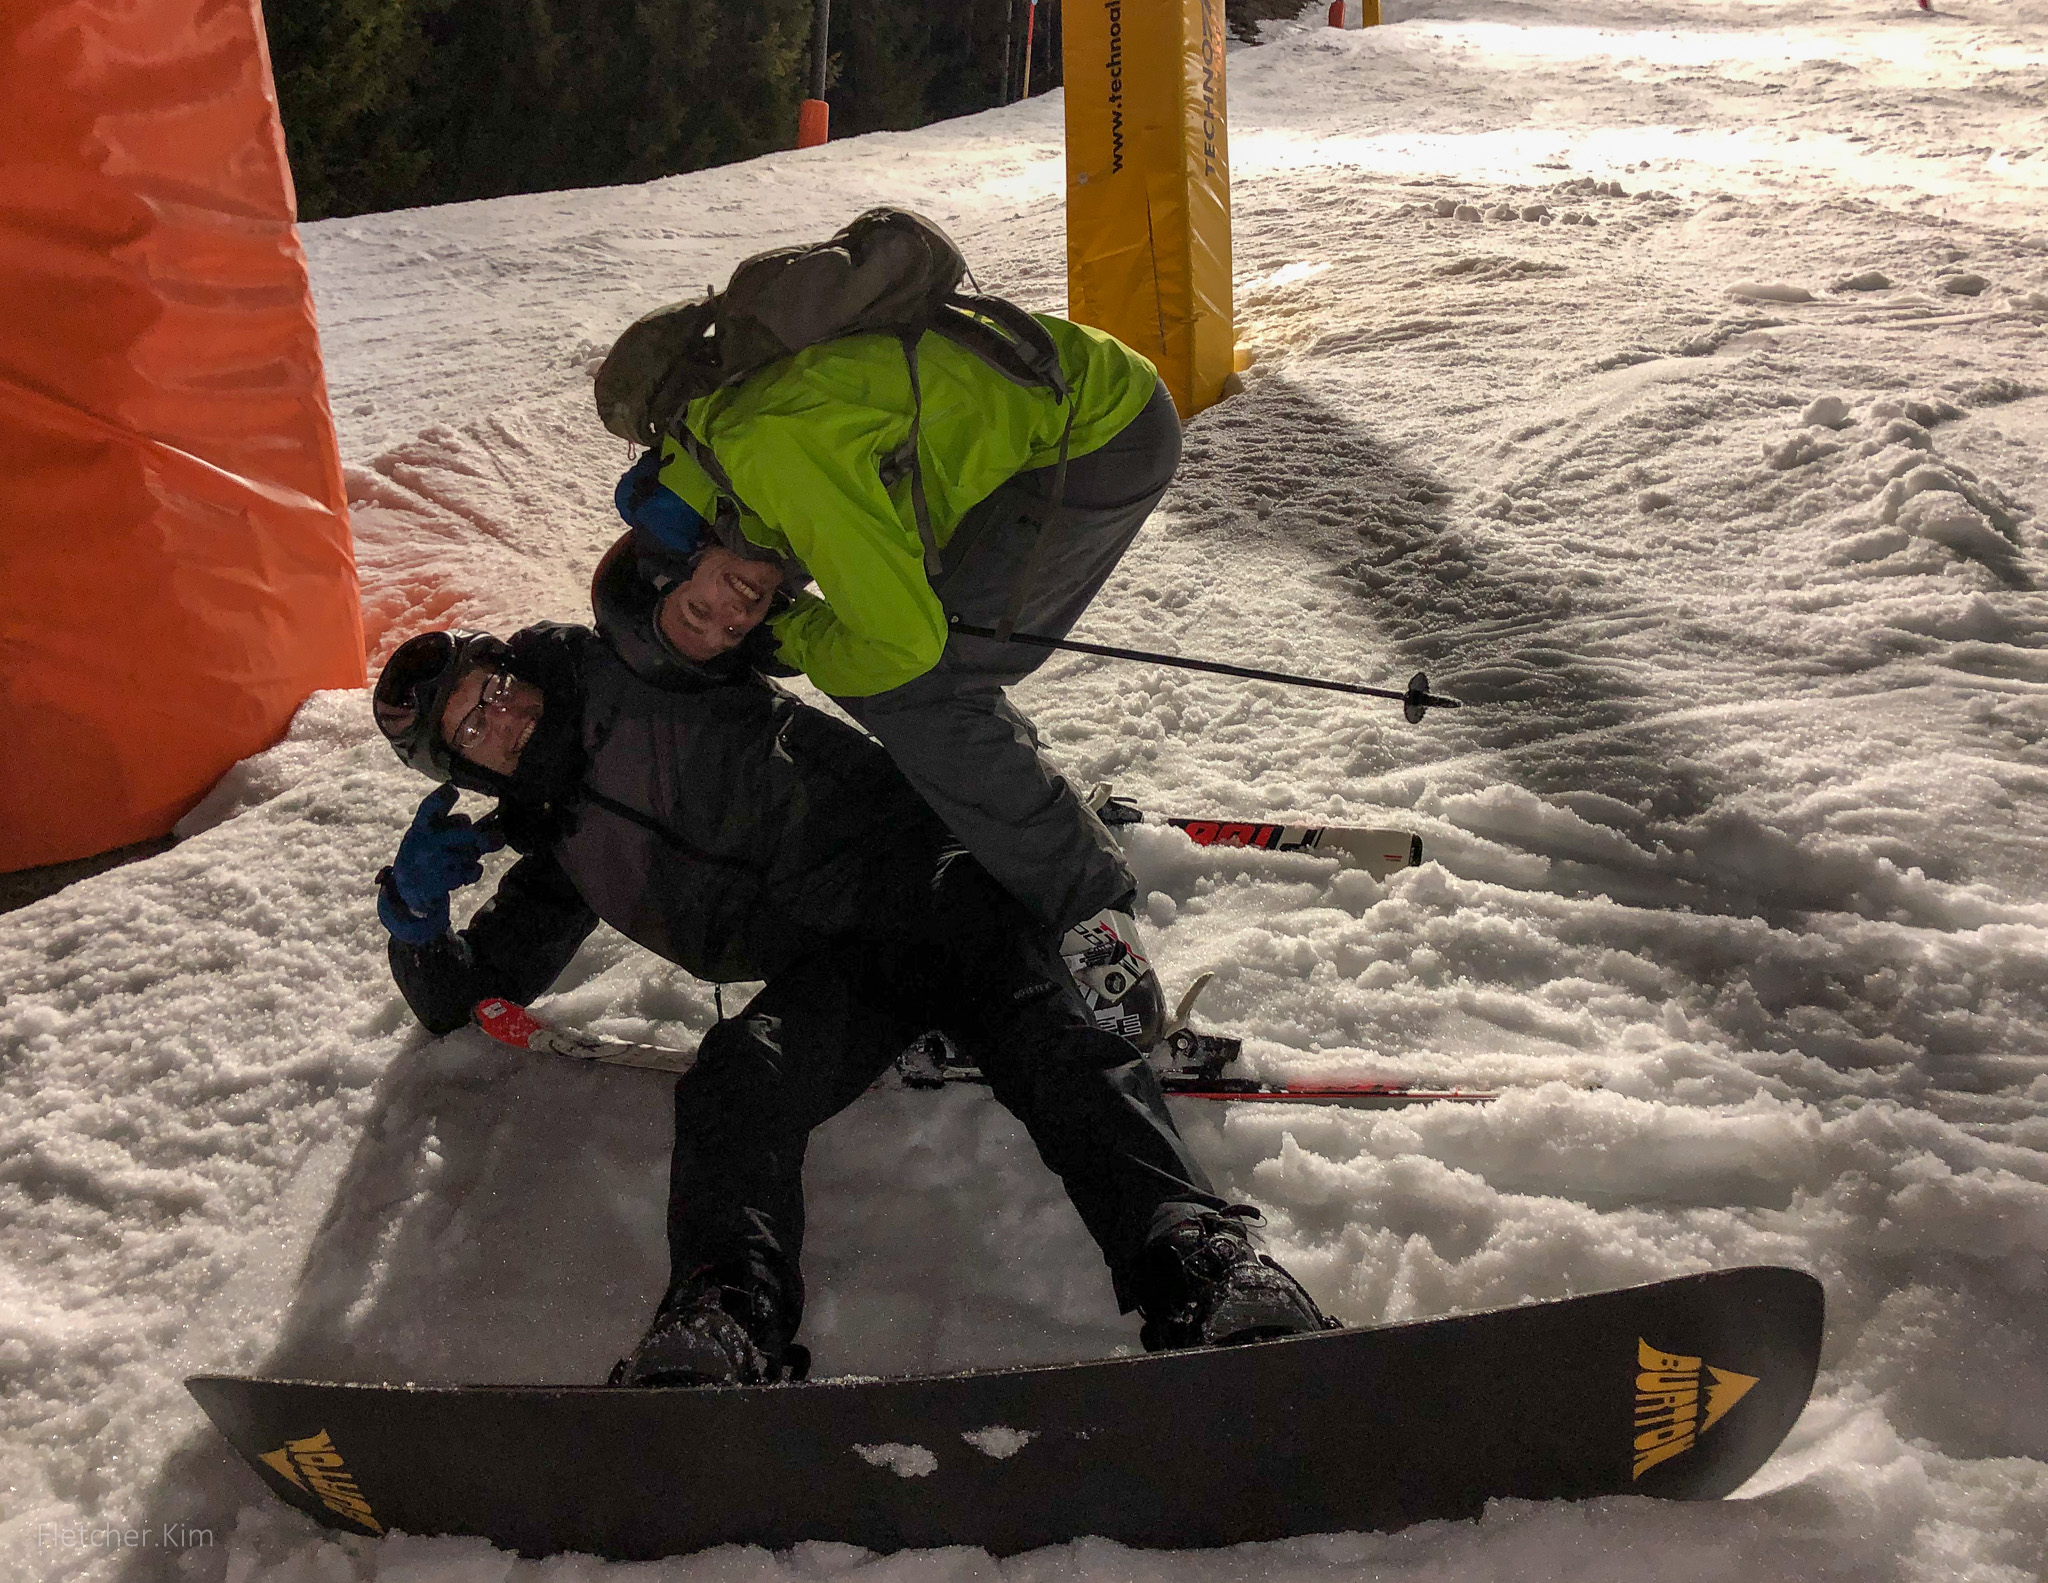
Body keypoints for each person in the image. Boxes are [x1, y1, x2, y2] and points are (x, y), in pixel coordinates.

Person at [367, 577, 1332, 1387]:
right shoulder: (559, 850)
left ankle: (1196, 1260)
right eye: (473, 726)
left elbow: (716, 595)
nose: (503, 715)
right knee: (737, 1077)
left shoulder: (634, 660)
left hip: (927, 872)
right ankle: (724, 1313)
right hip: (838, 965)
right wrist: (416, 924)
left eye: (495, 686)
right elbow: (466, 998)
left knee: (1052, 1042)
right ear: (465, 768)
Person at [612, 279, 1183, 1042]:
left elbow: (904, 648)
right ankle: (1020, 813)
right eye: (725, 636)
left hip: (1099, 436)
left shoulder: (767, 450)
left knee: (918, 685)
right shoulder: (722, 452)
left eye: (703, 611)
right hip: (1069, 405)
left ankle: (1091, 919)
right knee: (898, 672)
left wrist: (795, 636)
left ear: (683, 556)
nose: (734, 620)